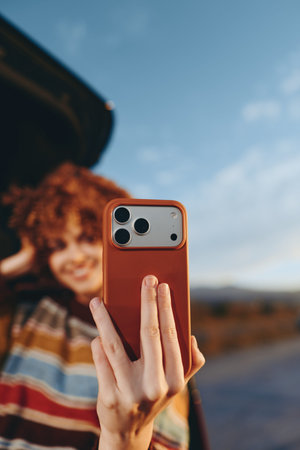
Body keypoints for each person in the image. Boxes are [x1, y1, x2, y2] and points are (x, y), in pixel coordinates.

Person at [0, 162, 205, 450]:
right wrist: (10, 268)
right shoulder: (24, 315)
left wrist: (124, 438)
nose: (75, 257)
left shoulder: (146, 336)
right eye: (57, 245)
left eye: (87, 238)